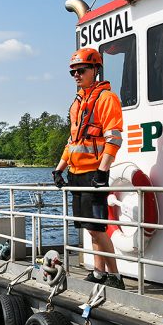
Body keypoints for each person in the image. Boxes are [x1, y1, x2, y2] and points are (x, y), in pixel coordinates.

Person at [51, 47, 125, 289]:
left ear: (96, 69)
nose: (76, 75)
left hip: (94, 174)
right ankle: (99, 272)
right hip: (76, 174)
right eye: (73, 72)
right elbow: (73, 141)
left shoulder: (107, 99)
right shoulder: (77, 103)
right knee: (89, 229)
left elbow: (114, 138)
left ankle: (115, 277)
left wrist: (103, 172)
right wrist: (59, 169)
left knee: (99, 229)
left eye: (81, 70)